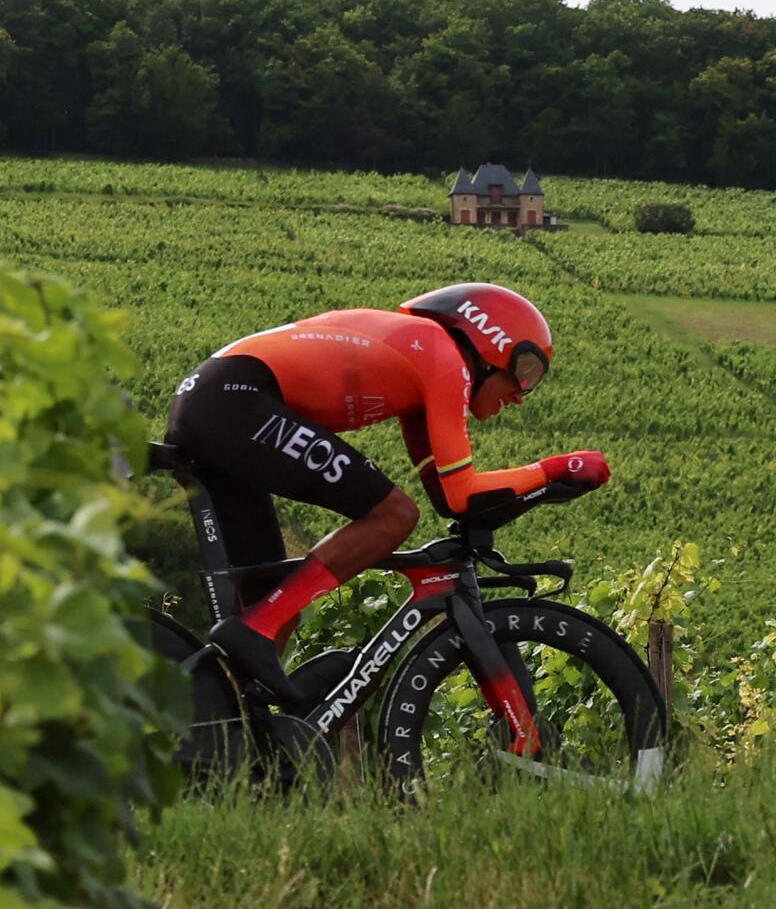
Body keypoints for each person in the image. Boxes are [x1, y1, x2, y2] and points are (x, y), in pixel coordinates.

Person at [163, 282, 607, 691]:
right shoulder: (442, 356)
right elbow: (460, 495)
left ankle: (228, 732)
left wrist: (543, 487)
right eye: (526, 370)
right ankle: (255, 632)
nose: (523, 392)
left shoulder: (419, 373)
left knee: (266, 604)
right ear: (491, 340)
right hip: (234, 400)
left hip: (216, 402)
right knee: (392, 517)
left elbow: (449, 499)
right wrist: (555, 467)